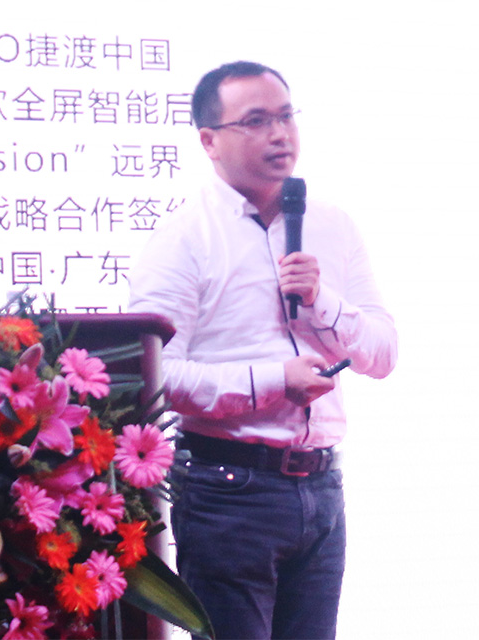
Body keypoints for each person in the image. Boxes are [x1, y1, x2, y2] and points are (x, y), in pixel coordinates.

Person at [128, 61, 397, 640]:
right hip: (228, 493)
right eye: (256, 121)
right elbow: (155, 376)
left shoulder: (334, 225)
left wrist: (322, 301)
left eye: (286, 116)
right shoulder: (183, 238)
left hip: (322, 488)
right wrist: (274, 379)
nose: (280, 134)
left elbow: (383, 353)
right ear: (209, 141)